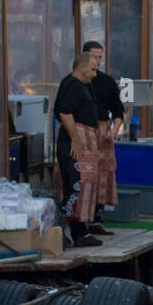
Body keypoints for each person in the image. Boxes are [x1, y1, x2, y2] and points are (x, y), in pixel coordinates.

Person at [52, 54, 101, 247]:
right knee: (76, 186)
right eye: (92, 69)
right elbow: (64, 112)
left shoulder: (82, 85)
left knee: (85, 185)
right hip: (74, 143)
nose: (95, 74)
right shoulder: (72, 84)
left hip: (85, 139)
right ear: (81, 67)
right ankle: (61, 230)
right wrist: (76, 139)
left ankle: (80, 231)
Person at [84, 41, 124, 236]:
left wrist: (114, 130)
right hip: (84, 131)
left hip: (103, 130)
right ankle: (82, 220)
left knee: (103, 174)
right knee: (86, 174)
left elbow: (118, 109)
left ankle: (98, 218)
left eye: (101, 57)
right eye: (95, 57)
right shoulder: (77, 81)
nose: (98, 62)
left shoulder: (107, 81)